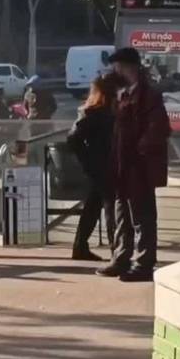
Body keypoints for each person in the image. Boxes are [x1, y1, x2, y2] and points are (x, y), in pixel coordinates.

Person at [97, 48, 171, 282]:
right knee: (122, 215)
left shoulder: (148, 94)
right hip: (122, 164)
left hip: (138, 166)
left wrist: (140, 150)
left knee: (142, 216)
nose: (114, 71)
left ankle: (144, 263)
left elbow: (158, 128)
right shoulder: (121, 93)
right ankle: (121, 258)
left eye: (118, 67)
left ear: (129, 67)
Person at [66, 76, 118, 261]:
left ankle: (80, 246)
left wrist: (87, 160)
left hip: (98, 164)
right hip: (103, 165)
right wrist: (88, 159)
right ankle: (116, 250)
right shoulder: (99, 113)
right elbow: (73, 139)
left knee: (94, 206)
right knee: (110, 206)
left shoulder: (95, 112)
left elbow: (74, 139)